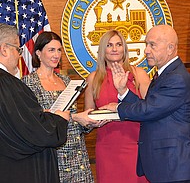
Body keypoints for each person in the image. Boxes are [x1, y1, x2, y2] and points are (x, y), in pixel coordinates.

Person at [100, 25, 190, 183]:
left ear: (170, 48)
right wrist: (123, 91)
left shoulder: (177, 78)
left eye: (152, 45)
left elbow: (149, 110)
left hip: (173, 166)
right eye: (146, 44)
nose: (146, 50)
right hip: (164, 166)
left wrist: (118, 107)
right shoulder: (165, 73)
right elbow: (149, 105)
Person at [22, 31, 97, 183]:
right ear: (38, 53)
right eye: (51, 50)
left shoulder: (66, 80)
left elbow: (73, 116)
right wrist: (76, 117)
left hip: (78, 156)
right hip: (53, 156)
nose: (56, 55)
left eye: (59, 50)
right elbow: (36, 121)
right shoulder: (28, 83)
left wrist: (88, 121)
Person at [0, 23, 70, 183]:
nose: (19, 55)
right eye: (18, 49)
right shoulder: (9, 85)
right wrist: (58, 119)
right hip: (21, 169)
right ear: (4, 49)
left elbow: (18, 122)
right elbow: (36, 132)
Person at [84, 29, 151, 183]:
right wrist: (92, 121)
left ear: (124, 48)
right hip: (107, 147)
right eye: (109, 45)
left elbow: (150, 109)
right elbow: (87, 116)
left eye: (118, 44)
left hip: (136, 145)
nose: (114, 49)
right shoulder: (93, 78)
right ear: (103, 50)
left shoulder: (138, 74)